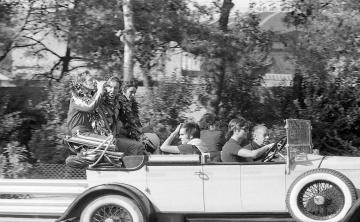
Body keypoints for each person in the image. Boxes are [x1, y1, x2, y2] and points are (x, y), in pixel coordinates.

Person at [67, 73, 146, 156]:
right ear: (82, 83)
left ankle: (132, 166)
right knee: (112, 143)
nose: (94, 81)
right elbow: (90, 107)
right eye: (90, 80)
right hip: (80, 133)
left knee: (137, 146)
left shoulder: (112, 101)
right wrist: (100, 89)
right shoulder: (76, 98)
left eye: (116, 88)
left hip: (95, 133)